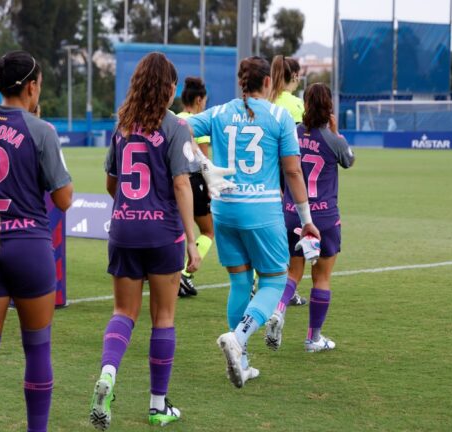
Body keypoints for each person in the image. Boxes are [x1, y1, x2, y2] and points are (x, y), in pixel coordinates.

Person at [187, 56, 320, 389]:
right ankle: (239, 337)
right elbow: (292, 171)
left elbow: (180, 127)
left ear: (240, 83)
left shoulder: (218, 113)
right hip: (261, 210)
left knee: (240, 285)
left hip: (225, 210)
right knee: (275, 282)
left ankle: (242, 362)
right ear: (267, 84)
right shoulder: (279, 116)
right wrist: (307, 220)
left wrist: (203, 163)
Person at [0, 51, 73, 432]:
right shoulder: (41, 130)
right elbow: (64, 199)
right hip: (29, 247)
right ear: (31, 86)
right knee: (37, 348)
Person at [89, 52, 201, 430]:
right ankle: (157, 406)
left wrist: (130, 210)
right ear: (168, 88)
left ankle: (107, 374)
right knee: (163, 318)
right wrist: (190, 238)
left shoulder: (123, 126)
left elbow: (111, 182)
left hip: (123, 230)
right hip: (162, 233)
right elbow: (182, 183)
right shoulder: (174, 127)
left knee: (123, 314)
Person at [265, 83, 355, 353]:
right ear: (329, 107)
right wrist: (337, 133)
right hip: (324, 217)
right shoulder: (332, 138)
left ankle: (279, 310)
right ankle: (313, 338)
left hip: (293, 214)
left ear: (305, 105)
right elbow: (348, 161)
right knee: (322, 278)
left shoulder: (292, 133)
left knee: (293, 272)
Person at [269, 55, 308, 306]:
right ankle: (287, 289)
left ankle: (258, 283)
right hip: (286, 175)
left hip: (264, 174)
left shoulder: (266, 100)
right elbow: (298, 148)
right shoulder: (295, 105)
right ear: (293, 75)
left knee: (268, 232)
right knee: (292, 235)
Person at [176, 77, 213, 297]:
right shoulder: (199, 121)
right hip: (193, 181)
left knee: (177, 228)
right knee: (208, 230)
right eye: (205, 100)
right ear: (199, 99)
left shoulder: (173, 118)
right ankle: (185, 274)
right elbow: (203, 160)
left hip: (172, 180)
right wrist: (210, 186)